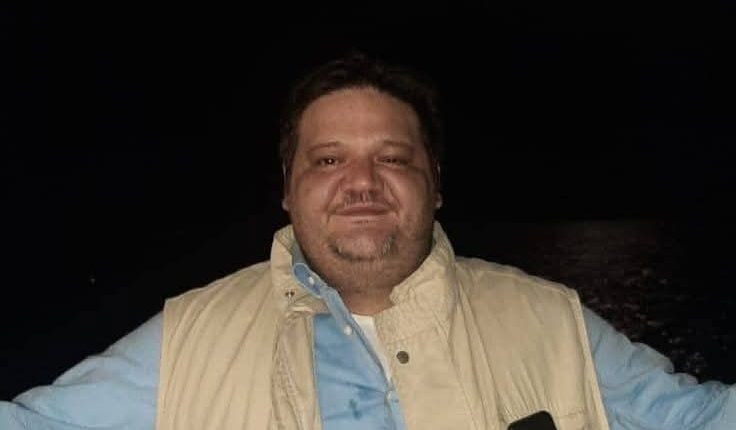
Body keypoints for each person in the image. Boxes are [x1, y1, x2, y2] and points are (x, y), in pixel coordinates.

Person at [1, 51, 734, 430]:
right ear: (288, 189)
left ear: (434, 185)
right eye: (328, 161)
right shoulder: (184, 340)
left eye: (393, 158)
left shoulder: (554, 321)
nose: (362, 182)